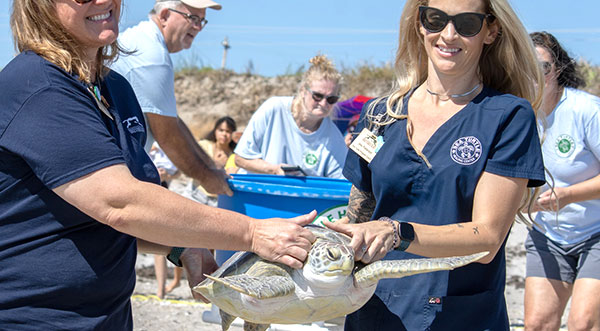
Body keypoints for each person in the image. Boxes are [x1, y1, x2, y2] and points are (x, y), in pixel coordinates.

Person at [0, 0, 317, 329]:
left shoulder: (116, 89)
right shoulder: (38, 88)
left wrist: (183, 246)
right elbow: (120, 202)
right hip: (33, 317)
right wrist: (253, 232)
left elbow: (134, 209)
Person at [324, 0, 546, 330]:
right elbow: (358, 218)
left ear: (491, 31)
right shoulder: (381, 115)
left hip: (459, 316)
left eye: (467, 23)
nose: (448, 34)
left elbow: (487, 239)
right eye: (436, 19)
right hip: (374, 309)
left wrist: (396, 232)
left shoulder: (509, 117)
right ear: (419, 24)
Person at [111, 0, 232, 197]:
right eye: (193, 18)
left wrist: (210, 164)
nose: (199, 27)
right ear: (165, 15)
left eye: (202, 20)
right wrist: (207, 177)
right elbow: (167, 135)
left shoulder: (141, 39)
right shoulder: (152, 56)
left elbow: (171, 120)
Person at [524, 31, 600, 331]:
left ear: (556, 69)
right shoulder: (518, 114)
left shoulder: (586, 111)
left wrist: (567, 196)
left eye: (542, 67)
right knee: (538, 324)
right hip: (548, 234)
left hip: (595, 232)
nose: (534, 75)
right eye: (525, 65)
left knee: (583, 323)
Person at [234, 54, 348, 178]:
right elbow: (240, 159)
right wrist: (274, 170)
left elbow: (341, 183)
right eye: (317, 96)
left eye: (331, 99)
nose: (323, 103)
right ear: (303, 91)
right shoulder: (273, 108)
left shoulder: (334, 138)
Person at [189, 116, 238, 206]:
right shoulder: (203, 146)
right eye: (221, 130)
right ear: (215, 131)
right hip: (196, 194)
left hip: (218, 201)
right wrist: (216, 163)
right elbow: (191, 167)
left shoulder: (234, 156)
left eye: (228, 131)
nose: (224, 134)